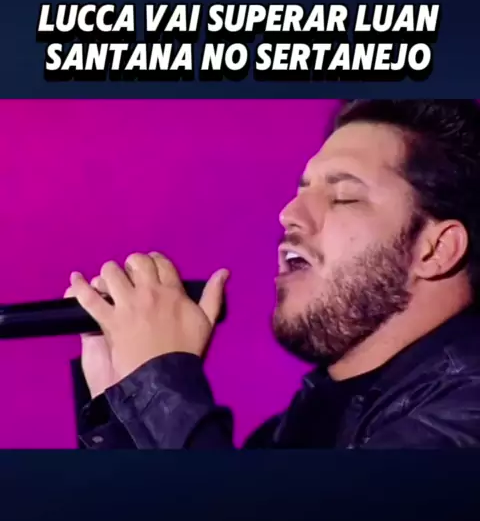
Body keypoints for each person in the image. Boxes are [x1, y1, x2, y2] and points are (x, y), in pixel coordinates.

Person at [68, 99, 480, 449]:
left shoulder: (466, 413)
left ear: (437, 250)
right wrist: (121, 404)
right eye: (302, 190)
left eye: (344, 197)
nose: (289, 214)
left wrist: (160, 382)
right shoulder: (292, 433)